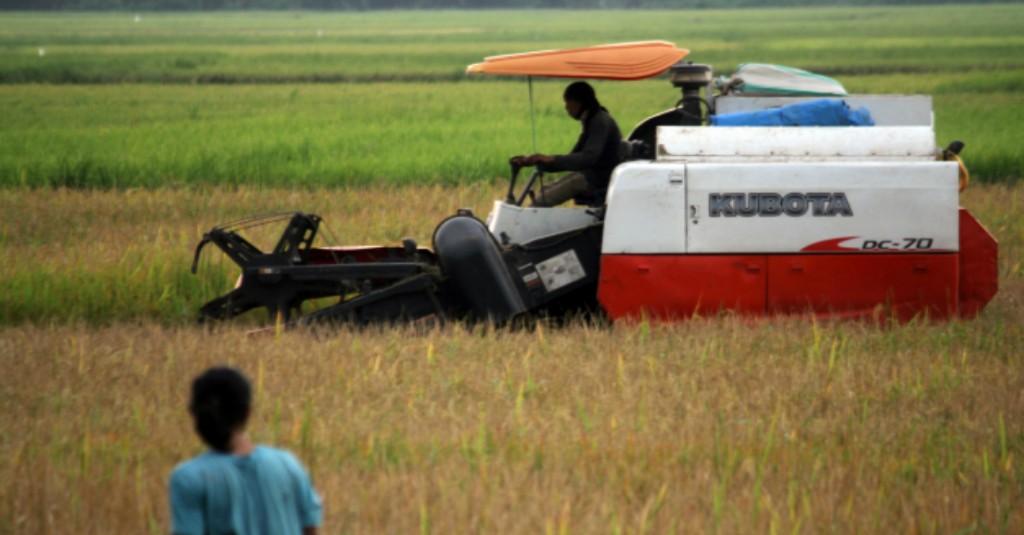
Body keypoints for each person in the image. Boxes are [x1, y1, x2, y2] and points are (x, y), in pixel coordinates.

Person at [169, 367, 322, 535]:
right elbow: (310, 528)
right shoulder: (288, 465)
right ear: (248, 412)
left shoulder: (188, 478)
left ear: (195, 415)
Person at [511, 81, 622, 206]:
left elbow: (588, 158)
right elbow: (573, 158)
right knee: (545, 190)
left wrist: (551, 159)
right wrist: (539, 161)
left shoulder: (600, 121)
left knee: (543, 200)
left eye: (568, 102)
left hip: (600, 178)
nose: (566, 107)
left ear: (580, 102)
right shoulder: (591, 121)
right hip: (590, 176)